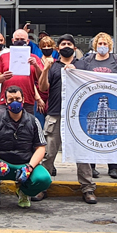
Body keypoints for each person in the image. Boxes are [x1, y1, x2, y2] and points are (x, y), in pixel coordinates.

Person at [36, 34, 97, 203]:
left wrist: (76, 73)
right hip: (55, 114)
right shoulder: (54, 66)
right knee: (48, 153)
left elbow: (92, 86)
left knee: (82, 155)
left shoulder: (83, 65)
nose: (66, 46)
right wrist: (46, 69)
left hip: (77, 117)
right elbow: (43, 88)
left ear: (75, 48)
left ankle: (88, 189)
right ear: (58, 49)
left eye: (69, 43)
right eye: (63, 44)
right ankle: (41, 187)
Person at [0, 86, 52, 214]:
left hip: (24, 164)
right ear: (5, 102)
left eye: (17, 98)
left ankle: (23, 192)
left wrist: (30, 167)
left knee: (44, 179)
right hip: (2, 165)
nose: (14, 102)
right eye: (10, 99)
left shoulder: (34, 121)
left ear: (23, 100)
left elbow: (40, 148)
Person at [75, 32, 117, 179]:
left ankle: (114, 167)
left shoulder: (116, 60)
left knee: (113, 135)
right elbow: (76, 72)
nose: (102, 46)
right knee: (92, 134)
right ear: (95, 45)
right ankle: (92, 166)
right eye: (100, 44)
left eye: (105, 44)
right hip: (92, 102)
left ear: (109, 46)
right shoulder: (88, 60)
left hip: (114, 102)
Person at [0, 29, 45, 115]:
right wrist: (3, 77)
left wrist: (36, 65)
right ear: (12, 41)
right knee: (3, 125)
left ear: (28, 41)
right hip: (6, 99)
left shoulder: (34, 58)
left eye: (22, 40)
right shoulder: (3, 56)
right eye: (17, 39)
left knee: (27, 126)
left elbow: (41, 78)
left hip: (27, 100)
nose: (19, 42)